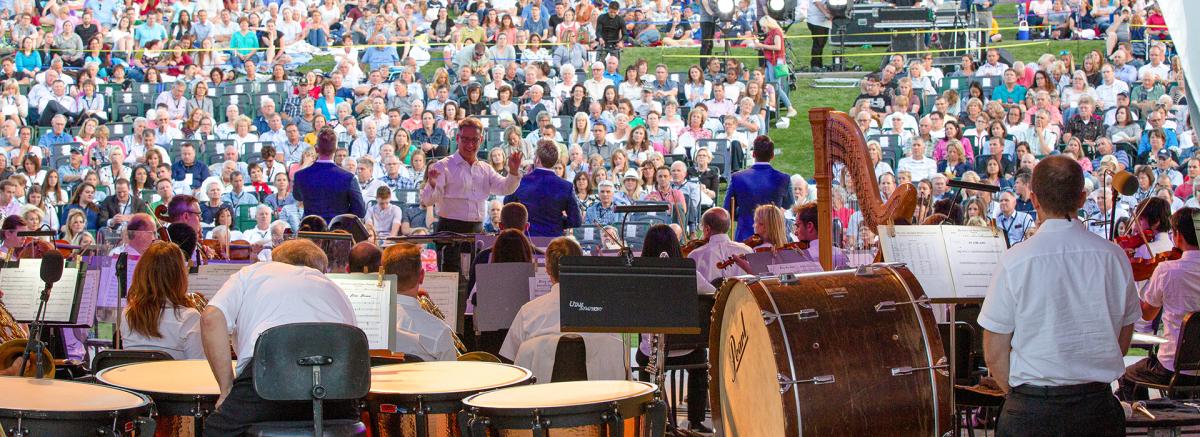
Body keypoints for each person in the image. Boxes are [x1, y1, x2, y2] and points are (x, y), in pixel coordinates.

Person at [979, 155, 1139, 437]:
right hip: (1096, 410)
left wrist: (1016, 396)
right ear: (1082, 198)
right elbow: (1122, 343)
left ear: (1034, 199)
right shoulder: (1114, 257)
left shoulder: (1016, 260)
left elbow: (994, 352)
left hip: (1032, 410)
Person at [201, 239, 358, 434]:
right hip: (336, 391)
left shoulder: (253, 273)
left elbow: (210, 318)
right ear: (321, 269)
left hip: (269, 381)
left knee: (218, 429)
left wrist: (226, 390)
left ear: (275, 260)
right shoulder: (335, 288)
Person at [1117, 208, 1200, 400]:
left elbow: (1147, 314)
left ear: (1178, 236)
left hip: (1172, 369)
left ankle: (1145, 420)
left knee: (1126, 375)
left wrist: (1128, 285)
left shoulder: (1167, 270)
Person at [420, 118, 521, 272]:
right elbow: (427, 200)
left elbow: (505, 188)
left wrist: (513, 172)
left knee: (476, 280)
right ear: (457, 138)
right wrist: (432, 184)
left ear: (481, 140)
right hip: (450, 232)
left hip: (477, 232)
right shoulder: (443, 166)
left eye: (474, 140)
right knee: (452, 281)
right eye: (465, 139)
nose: (470, 144)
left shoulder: (485, 168)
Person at [120, 241, 203, 359]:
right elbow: (199, 367)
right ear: (179, 276)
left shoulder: (127, 315)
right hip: (176, 378)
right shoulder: (189, 318)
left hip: (136, 378)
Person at [382, 242, 457, 362]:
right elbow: (451, 378)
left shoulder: (366, 323)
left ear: (383, 277)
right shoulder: (440, 331)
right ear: (421, 276)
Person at [503, 140, 580, 237]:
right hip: (554, 241)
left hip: (528, 239)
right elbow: (576, 220)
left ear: (537, 160)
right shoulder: (566, 186)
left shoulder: (521, 182)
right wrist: (557, 222)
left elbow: (507, 205)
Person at [724, 136, 793, 241]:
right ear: (772, 155)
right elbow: (788, 204)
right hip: (773, 236)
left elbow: (727, 209)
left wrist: (744, 213)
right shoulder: (783, 178)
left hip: (745, 236)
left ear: (753, 154)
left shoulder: (738, 177)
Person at [292, 128, 366, 222]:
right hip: (338, 231)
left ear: (316, 148)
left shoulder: (300, 175)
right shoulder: (348, 178)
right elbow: (360, 212)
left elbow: (298, 197)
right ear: (335, 149)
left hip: (310, 231)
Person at [688, 208, 753, 281]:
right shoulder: (747, 251)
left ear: (707, 229)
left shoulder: (696, 255)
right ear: (728, 227)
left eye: (702, 226)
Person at [792, 202, 850, 269]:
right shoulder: (841, 254)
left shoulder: (801, 257)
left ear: (809, 226)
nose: (795, 232)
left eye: (798, 226)